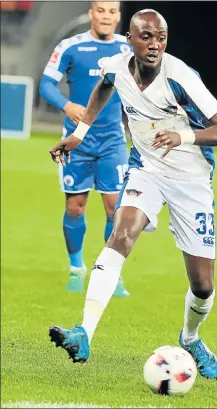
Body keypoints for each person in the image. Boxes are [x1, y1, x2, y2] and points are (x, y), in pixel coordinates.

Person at [48, 9, 217, 380]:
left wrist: (182, 136)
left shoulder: (181, 77)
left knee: (203, 285)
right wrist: (79, 134)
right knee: (120, 235)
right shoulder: (118, 65)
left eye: (161, 37)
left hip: (192, 181)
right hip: (147, 169)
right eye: (147, 37)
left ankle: (191, 337)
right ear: (130, 39)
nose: (155, 45)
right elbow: (104, 86)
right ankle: (83, 332)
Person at [39, 1, 131, 296]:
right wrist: (66, 105)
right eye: (101, 11)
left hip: (113, 140)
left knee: (114, 209)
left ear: (118, 16)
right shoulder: (70, 46)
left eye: (112, 12)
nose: (106, 17)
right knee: (75, 207)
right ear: (91, 13)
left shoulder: (128, 49)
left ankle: (110, 274)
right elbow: (46, 84)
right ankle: (76, 268)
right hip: (76, 140)